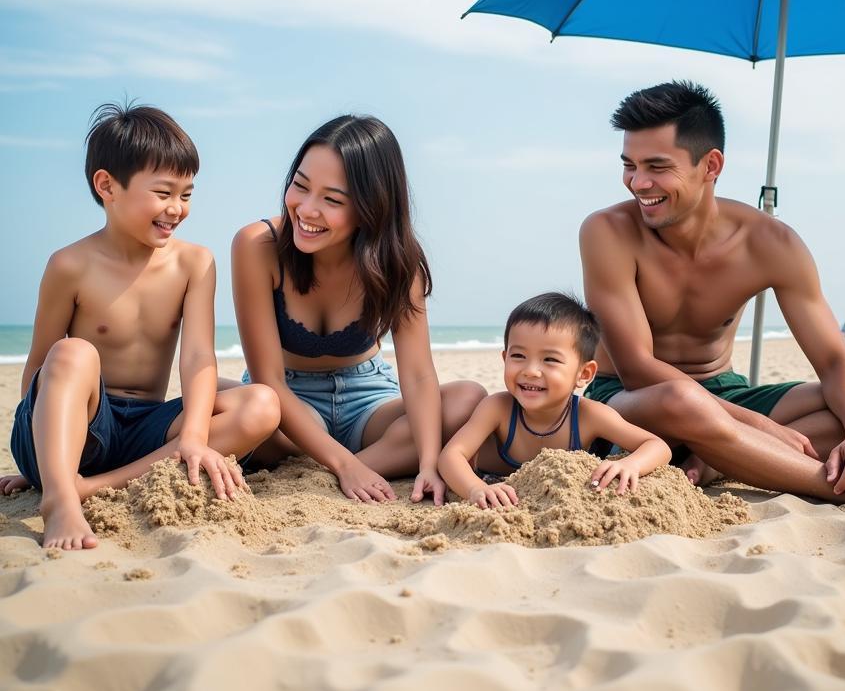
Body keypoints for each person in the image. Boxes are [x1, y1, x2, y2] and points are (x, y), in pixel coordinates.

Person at [579, 81, 845, 520]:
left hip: (725, 393)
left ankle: (716, 461)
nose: (638, 183)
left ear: (710, 165)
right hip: (632, 399)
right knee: (680, 398)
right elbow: (638, 368)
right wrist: (764, 427)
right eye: (629, 165)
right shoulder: (607, 232)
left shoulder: (770, 243)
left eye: (657, 166)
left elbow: (832, 359)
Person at [1, 103, 281, 550]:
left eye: (187, 195)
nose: (176, 209)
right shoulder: (70, 265)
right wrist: (44, 451)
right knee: (75, 353)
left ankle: (89, 487)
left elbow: (196, 357)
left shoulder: (194, 262)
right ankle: (59, 497)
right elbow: (40, 368)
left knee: (263, 403)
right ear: (107, 185)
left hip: (146, 432)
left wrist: (192, 436)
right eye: (164, 193)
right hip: (87, 420)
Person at [232, 114, 485, 505]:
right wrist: (346, 467)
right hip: (287, 402)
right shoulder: (257, 246)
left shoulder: (398, 263)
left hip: (368, 397)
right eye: (300, 186)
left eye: (332, 200)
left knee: (468, 398)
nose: (307, 210)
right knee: (237, 406)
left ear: (372, 207)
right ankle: (345, 465)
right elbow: (270, 380)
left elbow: (418, 376)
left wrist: (430, 463)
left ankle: (331, 466)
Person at [439, 292, 670, 508]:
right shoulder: (497, 408)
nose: (531, 371)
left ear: (584, 374)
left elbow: (657, 445)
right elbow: (451, 455)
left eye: (550, 359)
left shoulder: (590, 416)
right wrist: (475, 488)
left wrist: (631, 464)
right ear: (504, 357)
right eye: (518, 356)